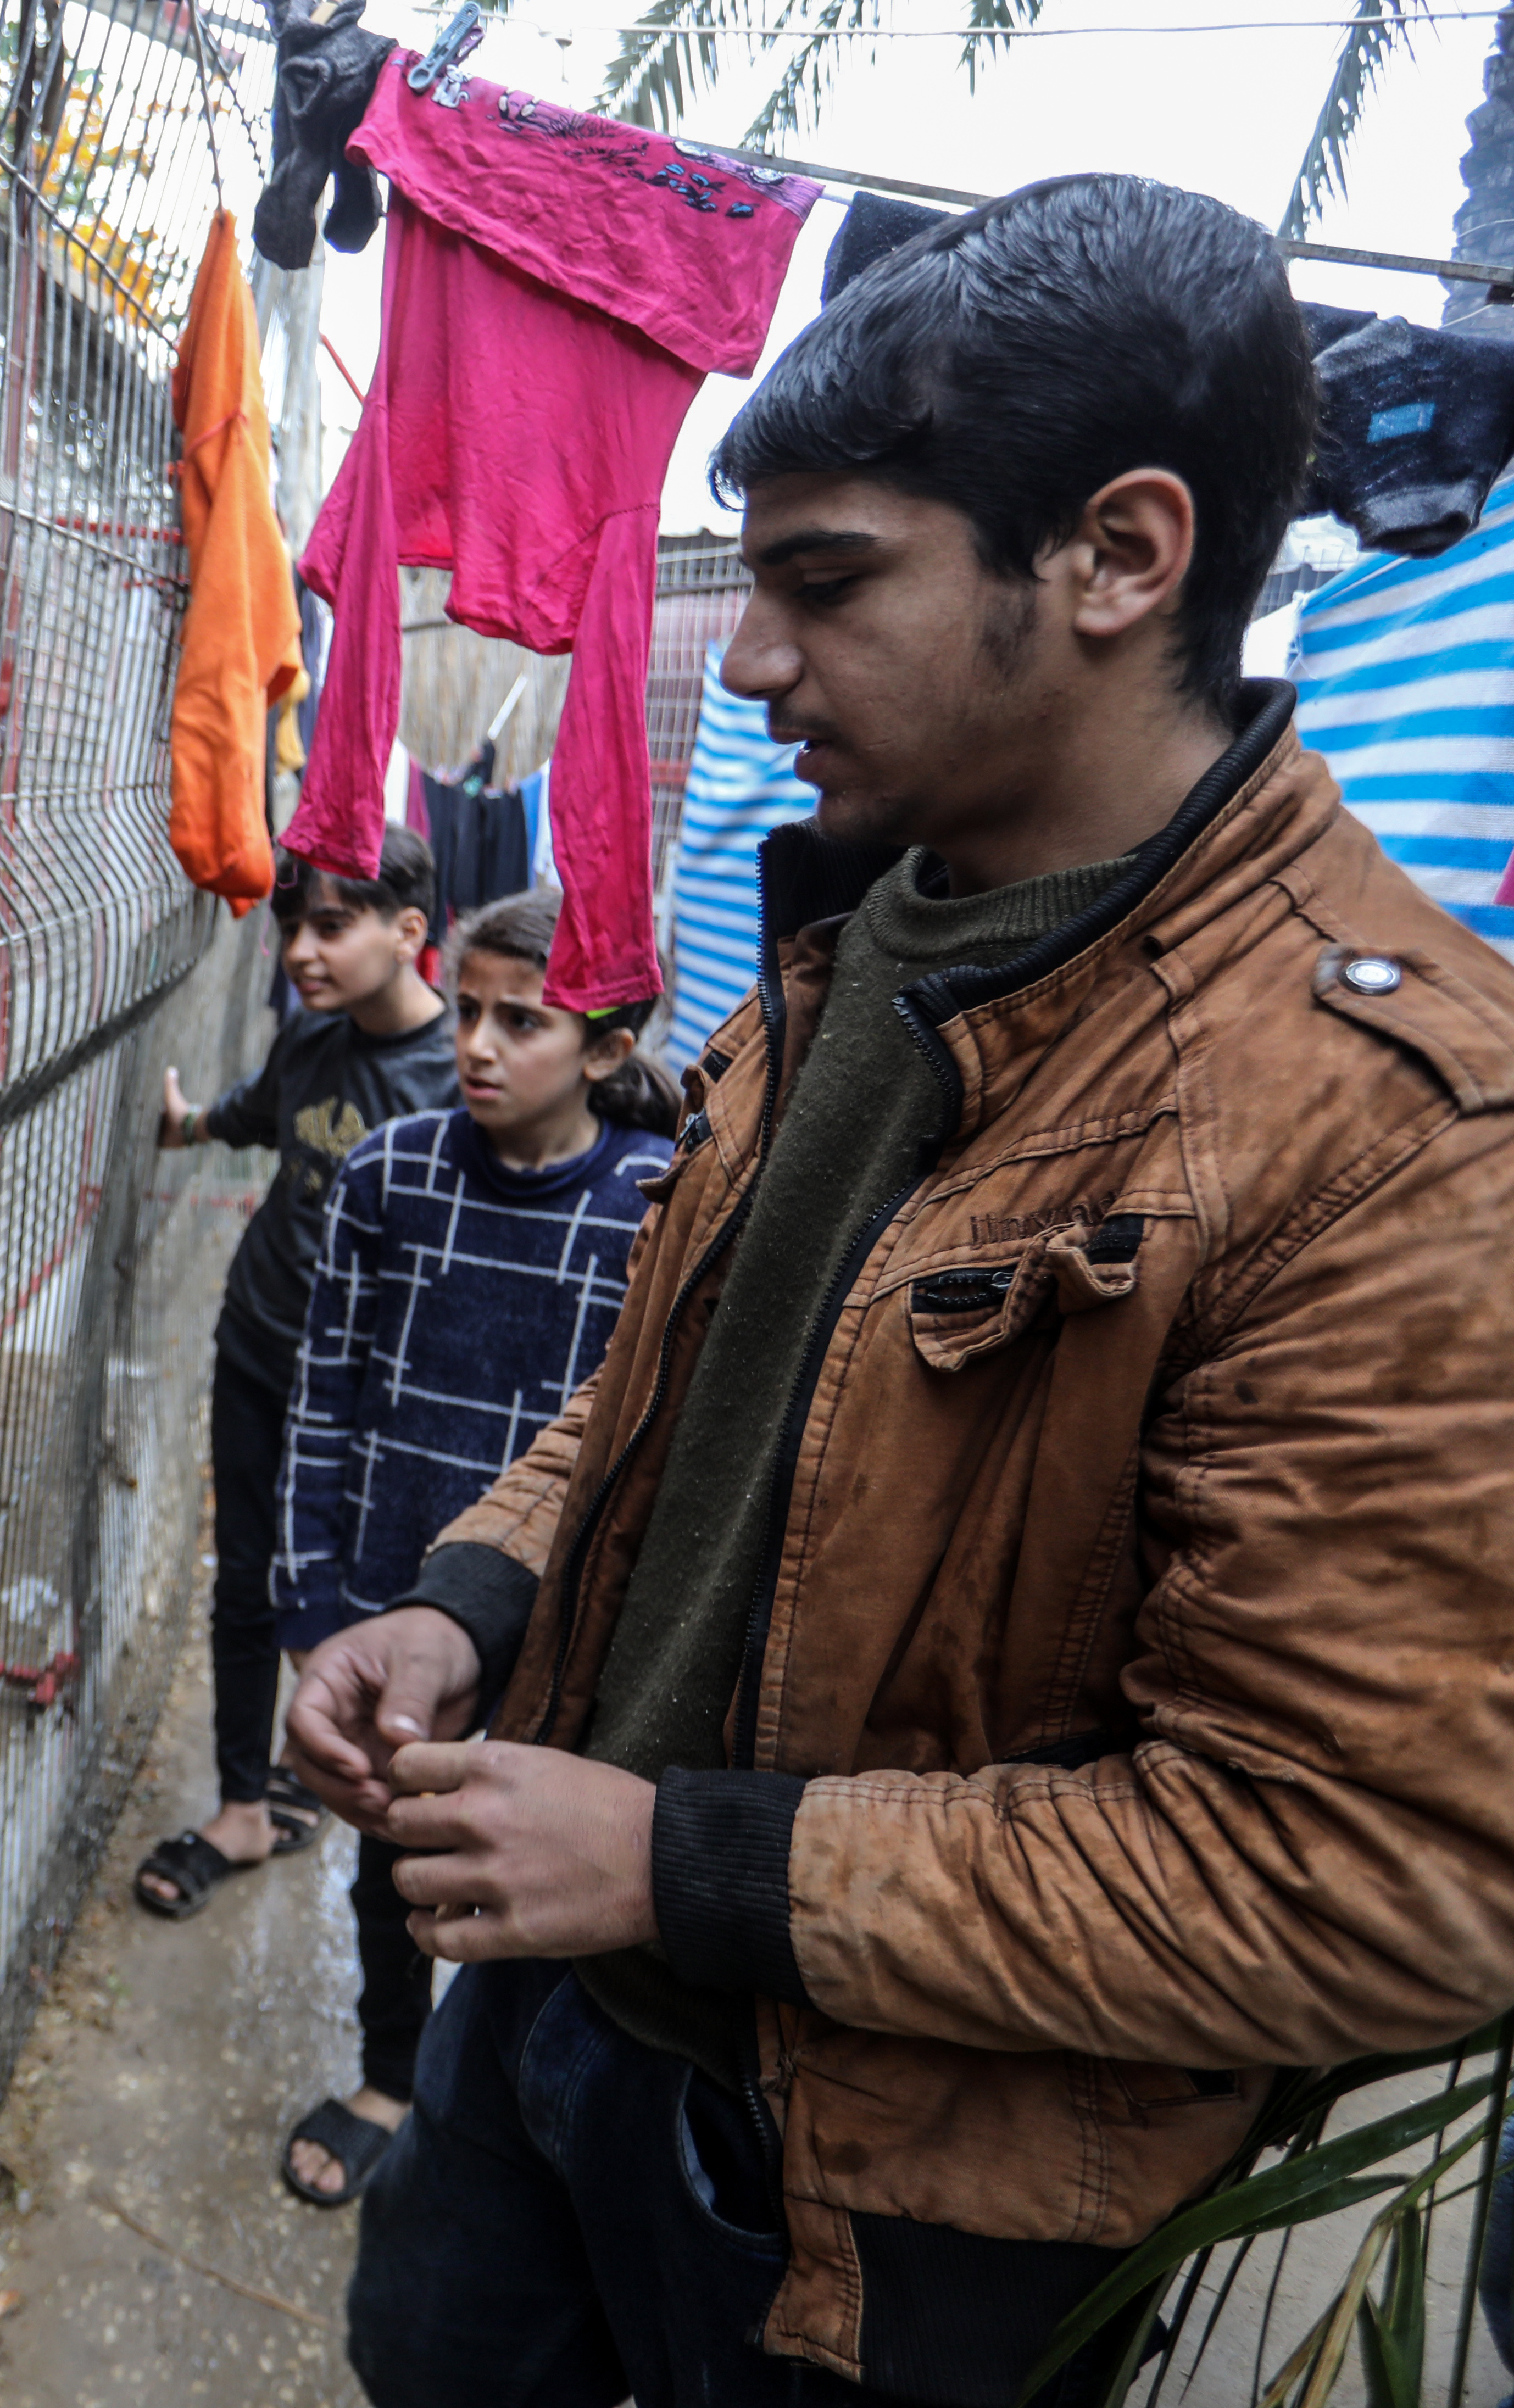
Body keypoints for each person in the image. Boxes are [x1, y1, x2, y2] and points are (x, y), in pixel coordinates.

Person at [280, 174, 1514, 2408]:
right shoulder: (869, 925)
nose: (748, 660)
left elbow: (1374, 1871)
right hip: (546, 2021)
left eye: (827, 585)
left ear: (1124, 560)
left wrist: (687, 1864)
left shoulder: (1391, 1129)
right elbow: (695, 1386)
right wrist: (466, 1595)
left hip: (871, 2200)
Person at [267, 887, 675, 2208]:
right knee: (392, 1867)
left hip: (559, 1633)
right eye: (474, 1009)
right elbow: (323, 1389)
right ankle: (393, 2069)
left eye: (525, 1021)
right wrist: (309, 1602)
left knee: (521, 1886)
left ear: (608, 1047)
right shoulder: (391, 1173)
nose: (479, 1045)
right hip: (393, 1601)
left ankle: (490, 2107)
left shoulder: (652, 1209)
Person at [136, 829, 457, 1918]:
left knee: (338, 1600)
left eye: (330, 924)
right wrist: (186, 1126)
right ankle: (239, 1803)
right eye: (289, 924)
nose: (301, 948)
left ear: (410, 932)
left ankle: (304, 1762)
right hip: (263, 1341)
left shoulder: (459, 1080)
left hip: (368, 1394)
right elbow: (261, 1113)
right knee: (243, 1579)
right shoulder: (314, 1039)